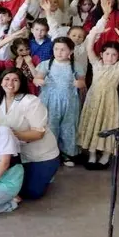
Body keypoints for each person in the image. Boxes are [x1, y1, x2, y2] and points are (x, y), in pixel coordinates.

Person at [0, 68, 60, 199]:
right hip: (17, 153)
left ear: (21, 83)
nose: (10, 83)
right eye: (7, 79)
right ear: (1, 82)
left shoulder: (31, 101)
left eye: (15, 80)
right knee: (10, 187)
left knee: (31, 193)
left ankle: (48, 174)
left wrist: (11, 134)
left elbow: (38, 134)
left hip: (41, 155)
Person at [78, 23, 119, 169]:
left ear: (118, 57)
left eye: (114, 55)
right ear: (101, 54)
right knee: (93, 125)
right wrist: (95, 33)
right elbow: (89, 49)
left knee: (108, 125)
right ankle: (92, 154)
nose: (110, 57)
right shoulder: (97, 64)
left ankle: (106, 155)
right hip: (93, 99)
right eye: (107, 54)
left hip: (109, 101)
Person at [30, 37, 84, 167]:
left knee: (68, 126)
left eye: (63, 49)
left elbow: (82, 82)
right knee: (50, 126)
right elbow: (36, 78)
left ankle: (66, 153)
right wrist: (38, 81)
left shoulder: (76, 66)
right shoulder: (46, 64)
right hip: (49, 101)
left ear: (71, 51)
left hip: (69, 101)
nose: (59, 52)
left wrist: (79, 83)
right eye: (56, 49)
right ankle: (50, 153)